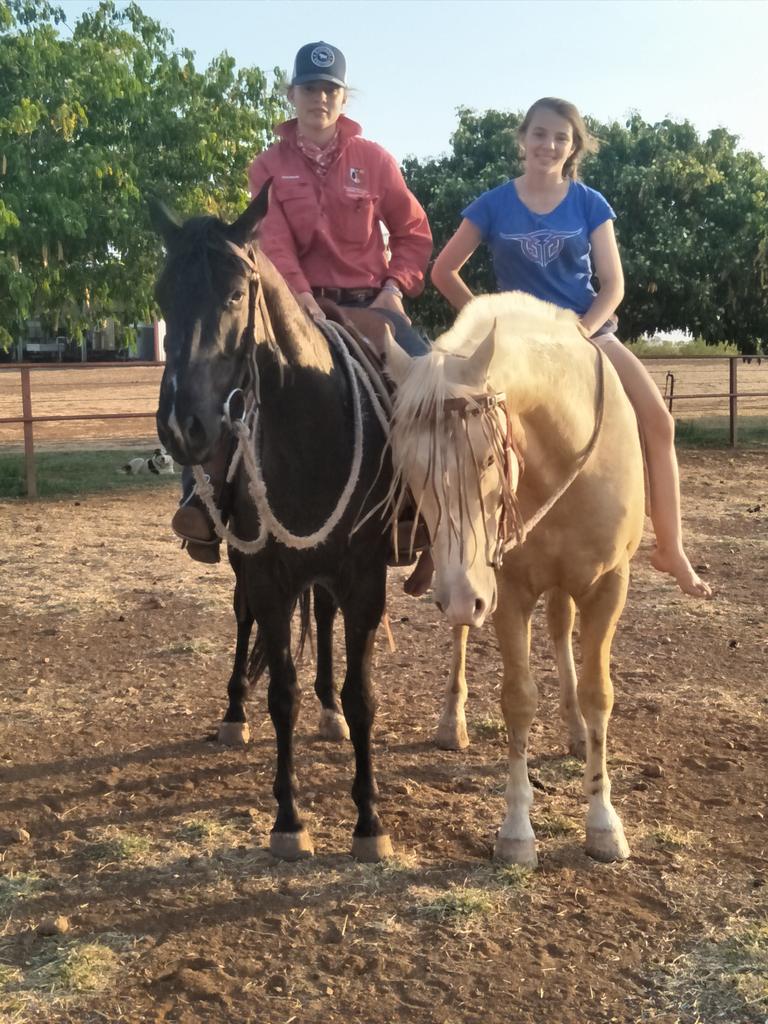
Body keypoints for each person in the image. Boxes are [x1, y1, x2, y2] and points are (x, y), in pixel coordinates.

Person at [429, 96, 712, 599]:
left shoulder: (590, 203)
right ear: (523, 139)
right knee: (449, 422)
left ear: (573, 146)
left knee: (659, 422)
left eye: (561, 137)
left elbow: (613, 286)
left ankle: (670, 546)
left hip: (586, 332)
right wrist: (489, 318)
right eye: (539, 134)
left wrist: (583, 330)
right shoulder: (493, 203)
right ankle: (439, 545)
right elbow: (443, 272)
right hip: (519, 346)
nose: (549, 144)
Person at [172, 41, 433, 570]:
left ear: (343, 97)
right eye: (310, 88)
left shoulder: (375, 161)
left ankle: (420, 513)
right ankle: (202, 500)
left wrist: (394, 289)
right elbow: (275, 242)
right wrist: (302, 300)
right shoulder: (267, 166)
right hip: (293, 304)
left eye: (330, 88)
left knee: (429, 380)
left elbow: (413, 233)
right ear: (292, 95)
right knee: (223, 375)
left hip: (370, 303)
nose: (320, 97)